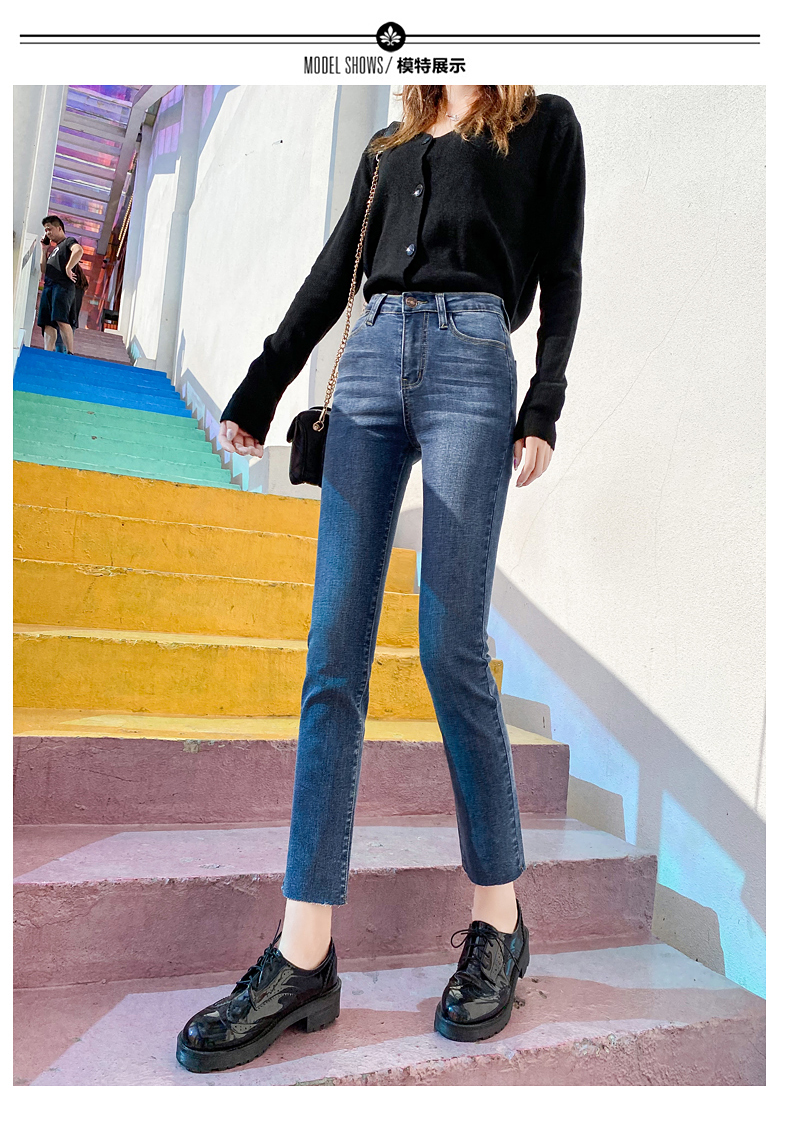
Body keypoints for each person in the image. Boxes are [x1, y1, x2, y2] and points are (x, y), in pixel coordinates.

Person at [176, 84, 585, 1074]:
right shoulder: (389, 141)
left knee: (449, 648)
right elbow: (333, 275)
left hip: (472, 363)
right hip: (366, 366)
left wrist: (544, 403)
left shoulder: (541, 123)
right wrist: (263, 384)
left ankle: (499, 921)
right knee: (332, 658)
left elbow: (563, 270)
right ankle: (303, 954)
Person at [37, 215, 84, 354]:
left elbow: (78, 250)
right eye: (46, 230)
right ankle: (48, 352)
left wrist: (69, 267)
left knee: (61, 319)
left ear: (59, 228)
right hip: (49, 286)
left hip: (62, 286)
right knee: (47, 323)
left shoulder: (68, 241)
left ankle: (70, 352)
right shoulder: (53, 250)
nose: (47, 233)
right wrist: (44, 250)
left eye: (49, 229)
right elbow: (43, 269)